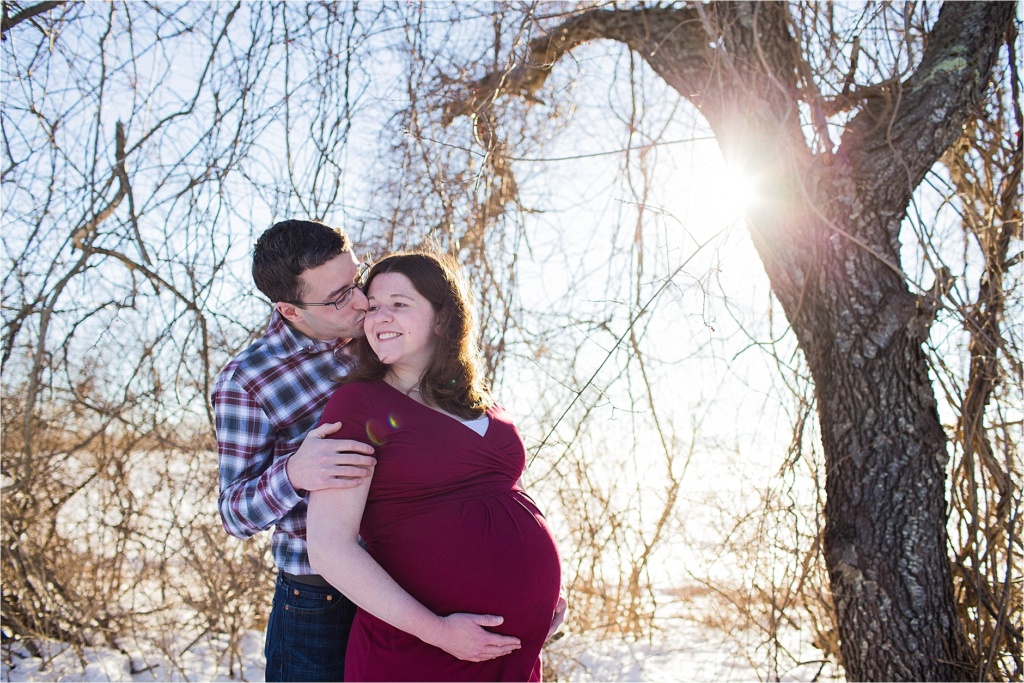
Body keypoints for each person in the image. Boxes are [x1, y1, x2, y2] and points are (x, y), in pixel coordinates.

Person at [213, 220, 522, 682]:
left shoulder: (384, 329)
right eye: (338, 298)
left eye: (355, 281)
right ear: (290, 309)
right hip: (322, 602)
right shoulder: (248, 380)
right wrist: (294, 473)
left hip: (416, 581)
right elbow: (234, 514)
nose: (360, 302)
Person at [307, 252, 563, 682]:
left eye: (399, 304)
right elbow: (330, 548)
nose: (378, 316)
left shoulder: (482, 405)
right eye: (372, 305)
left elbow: (505, 501)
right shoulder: (360, 404)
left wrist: (546, 596)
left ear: (443, 319)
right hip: (421, 652)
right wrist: (440, 632)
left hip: (508, 655)